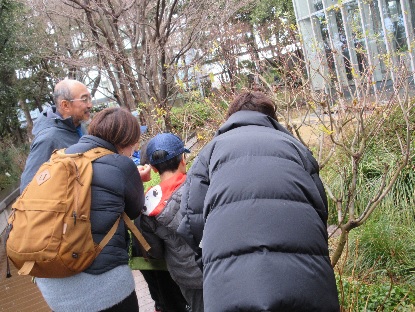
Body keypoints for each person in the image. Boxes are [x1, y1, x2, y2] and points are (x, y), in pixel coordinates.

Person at [177, 91, 340, 311]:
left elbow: (190, 221)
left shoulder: (210, 152)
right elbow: (320, 209)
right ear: (271, 118)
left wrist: (210, 263)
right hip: (304, 280)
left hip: (231, 286)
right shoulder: (296, 148)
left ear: (231, 117)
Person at [35, 107, 150, 312]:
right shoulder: (122, 164)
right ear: (125, 143)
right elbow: (135, 211)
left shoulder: (58, 158)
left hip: (51, 281)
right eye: (134, 144)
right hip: (101, 285)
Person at [137, 133, 204, 311]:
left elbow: (156, 252)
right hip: (214, 266)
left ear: (154, 168)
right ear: (183, 159)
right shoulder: (201, 187)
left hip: (184, 274)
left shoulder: (147, 204)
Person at [20, 79, 92, 192]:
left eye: (89, 98)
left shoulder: (78, 127)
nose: (90, 105)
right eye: (84, 99)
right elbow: (28, 189)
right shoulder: (48, 139)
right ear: (65, 105)